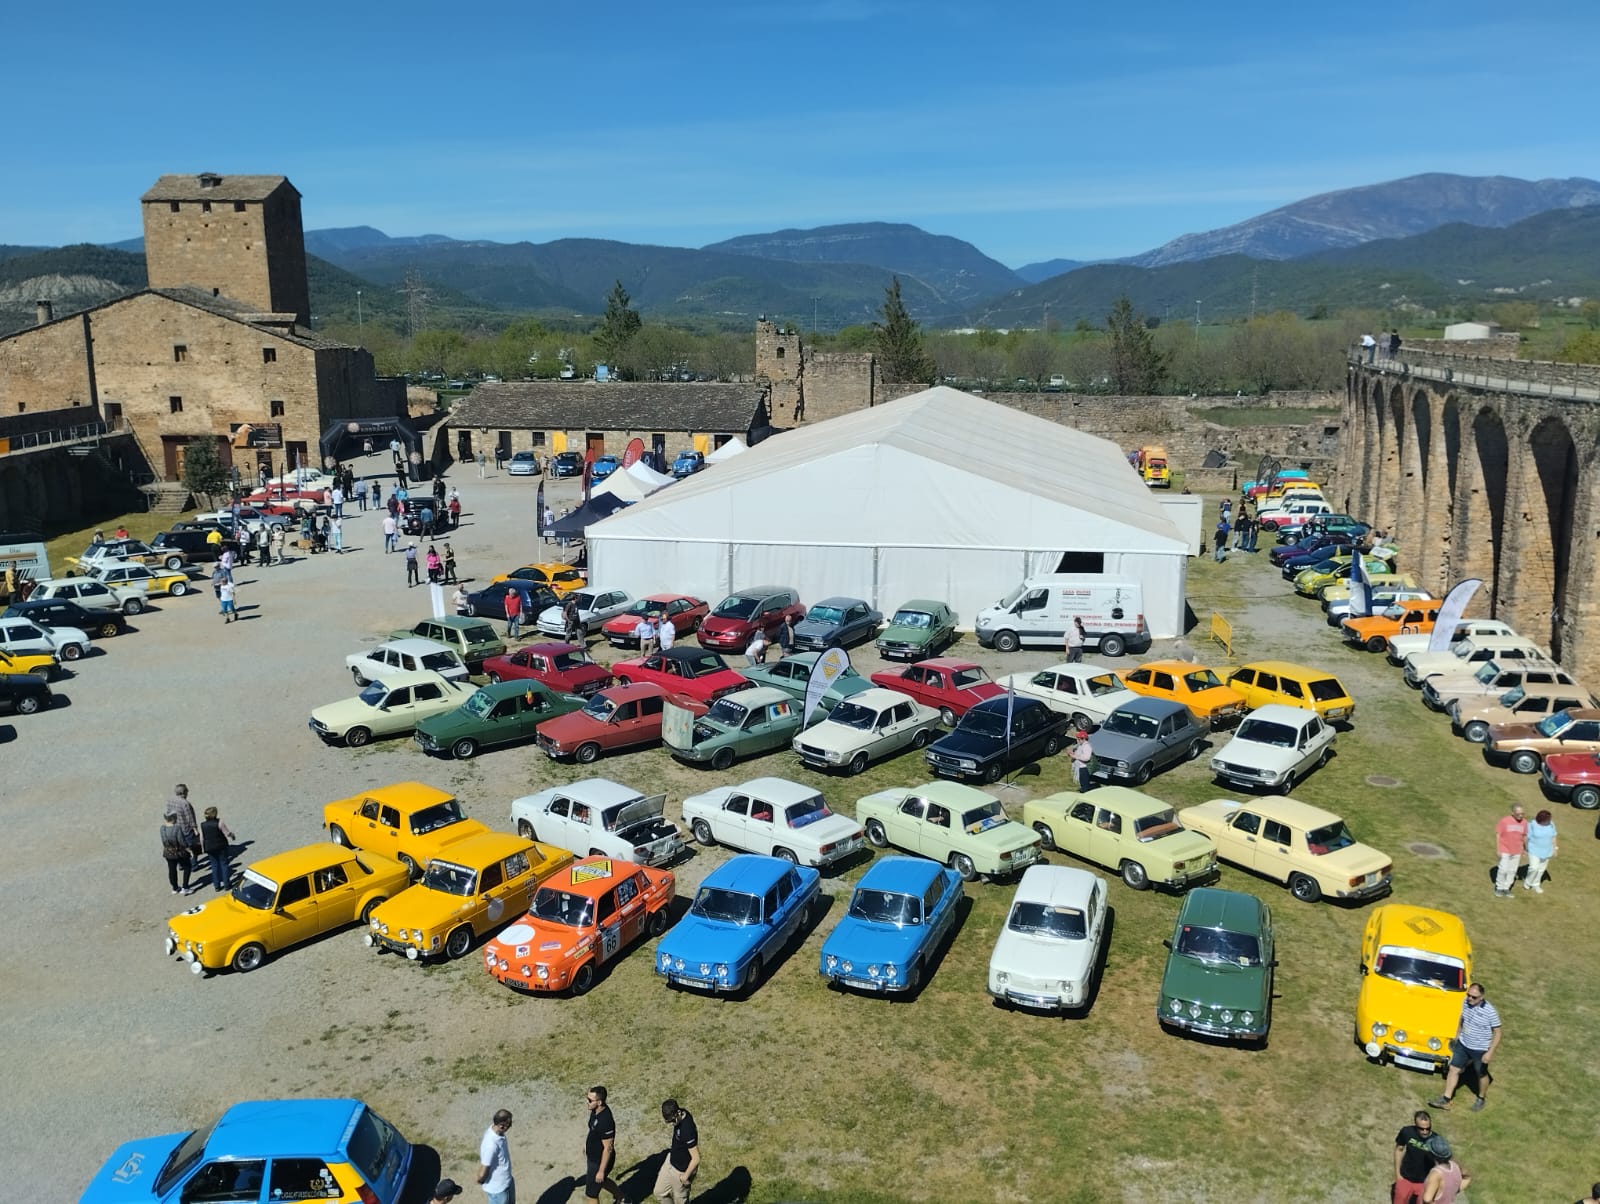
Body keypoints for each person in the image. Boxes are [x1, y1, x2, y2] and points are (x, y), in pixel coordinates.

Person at [1430, 982, 1502, 1112]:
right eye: (1468, 995)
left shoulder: (1490, 1011)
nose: (1470, 998)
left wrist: (1490, 1052)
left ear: (1481, 997)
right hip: (1463, 1044)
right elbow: (1462, 1018)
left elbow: (1498, 1032)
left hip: (1480, 1049)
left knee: (1481, 1074)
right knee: (1453, 1069)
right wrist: (1457, 1035)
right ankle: (1446, 1099)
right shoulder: (1465, 1002)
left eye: (1474, 997)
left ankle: (1481, 1098)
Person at [654, 1099, 699, 1204]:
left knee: (680, 1201)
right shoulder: (680, 1113)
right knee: (659, 1192)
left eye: (673, 1121)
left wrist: (685, 1176)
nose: (672, 1124)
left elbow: (696, 1158)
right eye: (669, 1122)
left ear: (678, 1113)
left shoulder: (688, 1130)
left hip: (682, 1170)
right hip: (671, 1161)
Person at [583, 1087, 624, 1204]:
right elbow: (592, 1130)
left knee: (591, 1194)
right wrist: (586, 1145)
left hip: (599, 1162)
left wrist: (601, 1170)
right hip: (593, 1157)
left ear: (599, 1102)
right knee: (603, 1181)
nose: (587, 1102)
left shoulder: (605, 1121)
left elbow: (608, 1148)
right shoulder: (595, 1111)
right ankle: (622, 1198)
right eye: (587, 1098)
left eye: (590, 1100)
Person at [1392, 1111, 1437, 1204]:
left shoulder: (1436, 1140)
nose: (1425, 1131)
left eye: (1428, 1128)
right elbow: (1399, 1150)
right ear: (1415, 1125)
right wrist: (1397, 1174)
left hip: (1424, 1182)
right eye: (1421, 1129)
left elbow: (1440, 1163)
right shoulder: (1407, 1132)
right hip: (1405, 1178)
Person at [477, 1109, 514, 1204]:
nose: (510, 1126)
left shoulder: (497, 1132)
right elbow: (483, 1170)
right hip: (499, 1189)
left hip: (505, 1182)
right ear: (501, 1126)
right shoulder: (491, 1145)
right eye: (509, 1125)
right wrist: (480, 1179)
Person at [1419, 1134, 1468, 1203]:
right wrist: (1455, 1191)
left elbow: (1427, 1199)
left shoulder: (1436, 1173)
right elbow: (1467, 1177)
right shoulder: (1455, 1165)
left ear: (1432, 1154)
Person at [1493, 803, 1527, 898]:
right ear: (1512, 813)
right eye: (1518, 814)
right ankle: (1499, 887)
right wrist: (1498, 849)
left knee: (1512, 870)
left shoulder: (1524, 822)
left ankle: (1506, 888)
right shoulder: (1505, 821)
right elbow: (1498, 834)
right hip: (1505, 849)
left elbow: (1524, 836)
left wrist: (1525, 848)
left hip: (1517, 850)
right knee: (1503, 869)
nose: (1521, 816)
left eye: (1522, 814)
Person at [200, 806, 236, 893]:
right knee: (224, 864)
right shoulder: (219, 823)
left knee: (214, 866)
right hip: (220, 846)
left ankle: (216, 885)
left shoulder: (202, 825)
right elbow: (227, 833)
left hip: (209, 847)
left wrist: (202, 848)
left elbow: (202, 838)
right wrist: (232, 836)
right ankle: (227, 884)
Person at [160, 812, 197, 895]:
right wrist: (189, 850)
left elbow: (163, 841)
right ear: (173, 818)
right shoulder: (177, 828)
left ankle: (175, 888)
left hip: (168, 852)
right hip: (179, 852)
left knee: (172, 870)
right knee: (187, 866)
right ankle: (185, 887)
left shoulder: (162, 828)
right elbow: (182, 842)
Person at [1523, 808, 1557, 892]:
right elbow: (1526, 837)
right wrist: (1525, 848)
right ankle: (1527, 882)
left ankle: (1536, 884)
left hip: (1547, 851)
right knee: (1534, 868)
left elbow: (1553, 837)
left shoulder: (1551, 824)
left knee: (1541, 869)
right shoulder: (1531, 824)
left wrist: (1555, 848)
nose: (1550, 820)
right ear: (1542, 819)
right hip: (1534, 850)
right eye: (1548, 819)